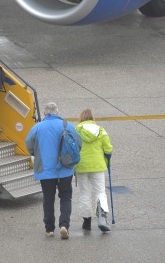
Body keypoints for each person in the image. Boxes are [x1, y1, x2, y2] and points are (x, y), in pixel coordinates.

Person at [25, 102, 81, 239]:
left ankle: (49, 228)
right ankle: (64, 225)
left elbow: (29, 145)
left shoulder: (37, 128)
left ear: (44, 113)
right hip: (65, 168)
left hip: (45, 170)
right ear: (57, 112)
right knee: (66, 197)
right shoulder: (67, 125)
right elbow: (79, 143)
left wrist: (36, 153)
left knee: (48, 198)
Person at [74, 108, 113, 232]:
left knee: (84, 192)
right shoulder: (101, 130)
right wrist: (107, 163)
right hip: (97, 166)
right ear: (92, 118)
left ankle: (87, 222)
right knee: (100, 192)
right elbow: (108, 149)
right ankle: (102, 218)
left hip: (81, 166)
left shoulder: (76, 131)